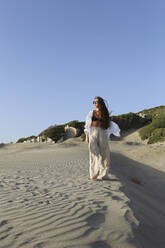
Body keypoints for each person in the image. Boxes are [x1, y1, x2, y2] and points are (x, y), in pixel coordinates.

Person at [84, 96, 120, 181]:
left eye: (96, 102)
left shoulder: (105, 113)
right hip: (92, 132)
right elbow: (87, 125)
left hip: (102, 133)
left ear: (101, 103)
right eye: (94, 102)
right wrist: (87, 136)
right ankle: (93, 175)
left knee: (104, 155)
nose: (95, 104)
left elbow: (108, 126)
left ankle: (103, 175)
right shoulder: (91, 112)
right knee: (93, 153)